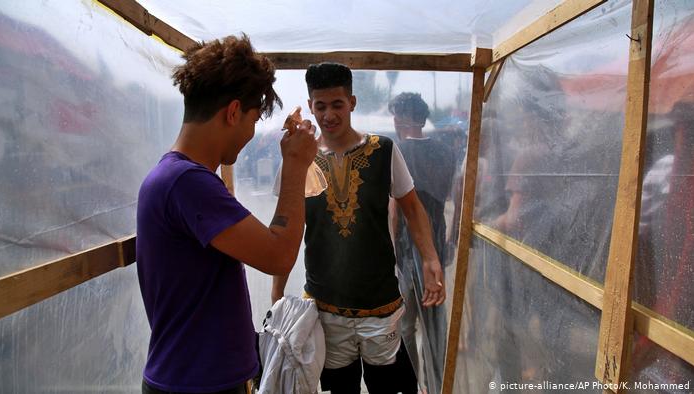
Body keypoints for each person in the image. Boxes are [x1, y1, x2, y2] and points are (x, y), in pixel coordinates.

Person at [135, 35, 318, 394]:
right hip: (195, 385)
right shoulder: (188, 183)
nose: (251, 133)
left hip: (196, 378)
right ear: (233, 112)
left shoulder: (184, 178)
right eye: (251, 120)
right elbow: (279, 255)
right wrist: (296, 164)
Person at [271, 63, 445, 394]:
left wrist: (430, 258)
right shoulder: (298, 160)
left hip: (380, 308)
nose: (329, 115)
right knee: (340, 388)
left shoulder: (383, 150)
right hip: (325, 310)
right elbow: (286, 228)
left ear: (352, 102)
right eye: (320, 106)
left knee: (390, 387)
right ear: (310, 106)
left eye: (337, 104)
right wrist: (277, 291)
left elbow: (412, 207)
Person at [387, 92, 455, 393]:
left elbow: (395, 211)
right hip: (436, 246)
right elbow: (456, 197)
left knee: (405, 325)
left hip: (406, 248)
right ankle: (438, 384)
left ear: (401, 117)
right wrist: (448, 240)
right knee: (435, 328)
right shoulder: (446, 151)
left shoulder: (397, 152)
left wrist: (392, 254)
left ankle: (412, 386)